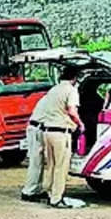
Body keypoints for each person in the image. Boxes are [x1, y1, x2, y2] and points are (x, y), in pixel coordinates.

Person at [32, 65, 84, 208]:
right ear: (74, 78)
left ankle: (49, 192)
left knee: (51, 165)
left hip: (47, 132)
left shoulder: (53, 90)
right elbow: (72, 111)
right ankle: (56, 199)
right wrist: (80, 124)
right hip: (61, 133)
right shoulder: (71, 90)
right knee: (61, 167)